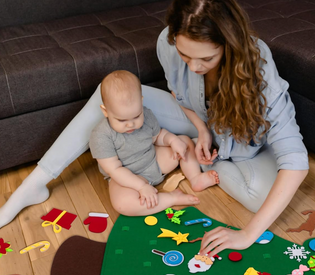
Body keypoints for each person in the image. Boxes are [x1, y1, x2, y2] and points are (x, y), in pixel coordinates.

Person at [0, 0, 308, 260]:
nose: (194, 67)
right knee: (107, 93)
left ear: (230, 45)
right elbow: (181, 96)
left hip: (242, 144)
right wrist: (199, 130)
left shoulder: (258, 64)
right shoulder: (167, 42)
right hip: (197, 125)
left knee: (263, 199)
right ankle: (32, 185)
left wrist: (247, 235)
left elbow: (296, 160)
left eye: (206, 59)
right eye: (186, 56)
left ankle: (206, 165)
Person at [90, 70, 219, 215]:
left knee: (184, 141)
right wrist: (140, 186)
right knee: (122, 204)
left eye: (136, 116)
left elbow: (157, 136)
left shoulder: (146, 114)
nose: (131, 125)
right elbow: (114, 170)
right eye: (121, 120)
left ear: (141, 101)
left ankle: (195, 178)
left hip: (153, 161)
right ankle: (171, 198)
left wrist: (172, 140)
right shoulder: (100, 135)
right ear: (105, 111)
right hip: (126, 177)